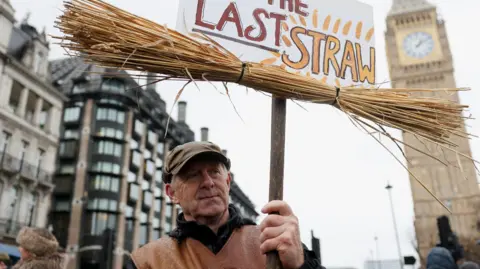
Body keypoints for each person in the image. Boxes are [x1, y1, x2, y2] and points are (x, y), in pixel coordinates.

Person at [127, 141, 323, 269]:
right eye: (193, 175)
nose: (208, 182)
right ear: (172, 193)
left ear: (227, 182)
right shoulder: (148, 261)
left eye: (214, 172)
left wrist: (300, 265)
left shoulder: (275, 242)